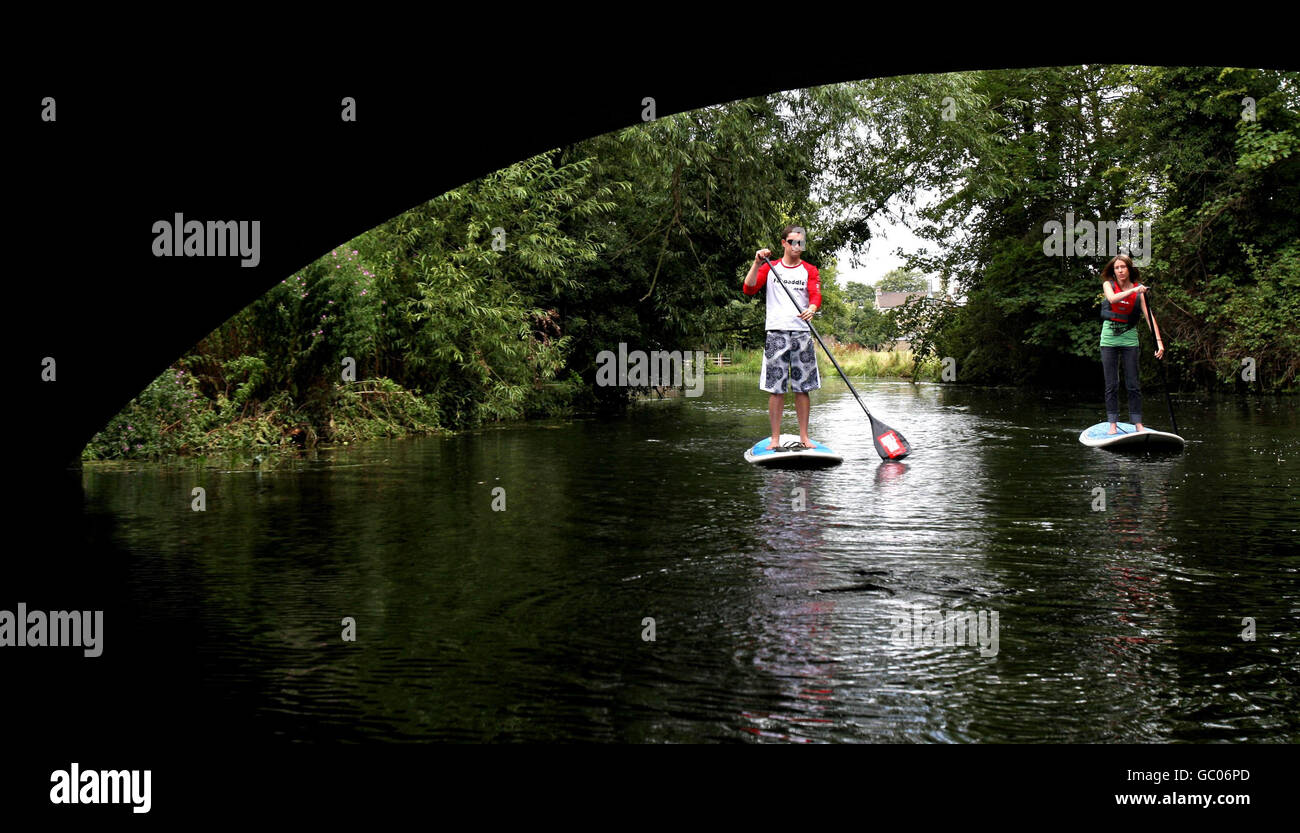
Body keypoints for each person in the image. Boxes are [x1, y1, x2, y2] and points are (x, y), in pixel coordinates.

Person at [742, 225, 822, 450]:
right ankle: (775, 438)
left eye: (801, 242)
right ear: (784, 243)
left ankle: (804, 437)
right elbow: (748, 289)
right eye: (793, 242)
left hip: (802, 333)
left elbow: (815, 295)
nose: (798, 246)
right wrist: (757, 262)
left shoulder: (810, 270)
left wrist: (812, 309)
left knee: (802, 387)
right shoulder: (771, 267)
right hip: (776, 333)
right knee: (776, 388)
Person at [1099, 254, 1165, 434]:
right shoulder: (1109, 285)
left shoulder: (1138, 290)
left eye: (1123, 267)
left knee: (1133, 384)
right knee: (1111, 384)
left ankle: (1138, 424)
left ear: (1129, 269)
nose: (1120, 271)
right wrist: (1135, 291)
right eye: (1116, 268)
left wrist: (1159, 342)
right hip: (1109, 340)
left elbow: (1149, 317)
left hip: (1129, 340)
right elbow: (1113, 299)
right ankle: (1112, 424)